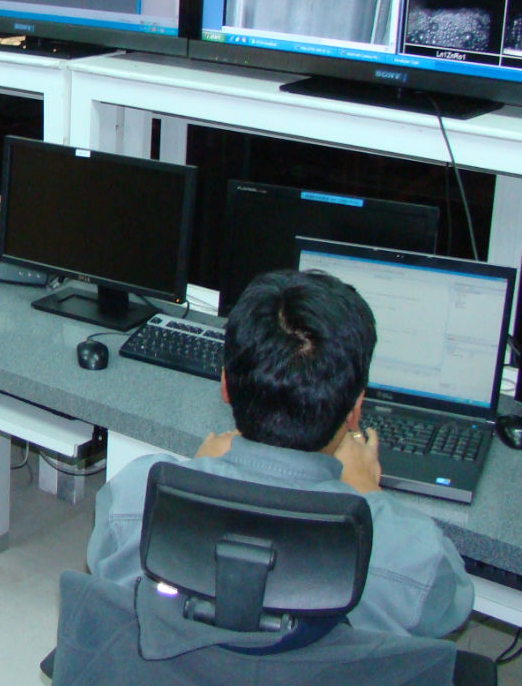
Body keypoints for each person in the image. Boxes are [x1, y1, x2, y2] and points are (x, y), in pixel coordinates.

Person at [88, 268, 473, 638]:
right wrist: (367, 493)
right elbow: (449, 610)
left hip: (182, 682)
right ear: (355, 409)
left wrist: (199, 467)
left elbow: (111, 577)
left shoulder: (136, 498)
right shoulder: (411, 555)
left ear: (225, 385)